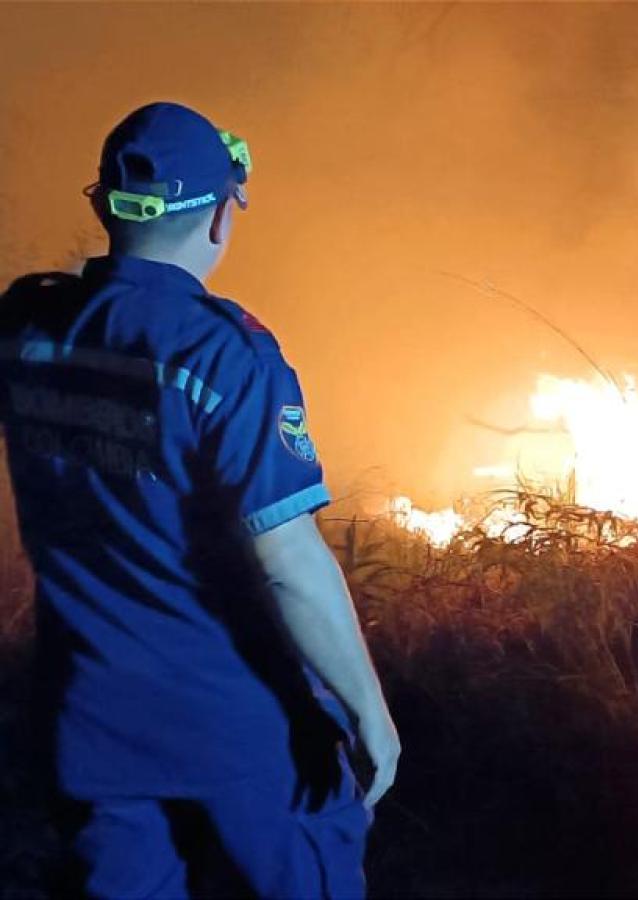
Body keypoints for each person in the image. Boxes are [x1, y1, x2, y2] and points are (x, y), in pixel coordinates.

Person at [0, 101, 401, 898]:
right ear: (220, 216)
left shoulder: (24, 327)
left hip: (90, 721)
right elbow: (287, 560)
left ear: (105, 207)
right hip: (236, 722)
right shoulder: (225, 354)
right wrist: (369, 709)